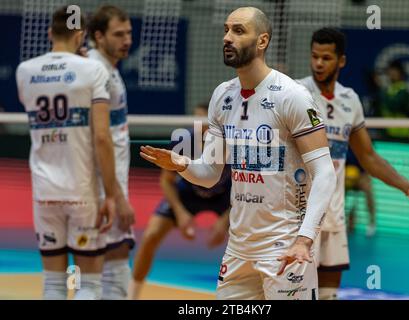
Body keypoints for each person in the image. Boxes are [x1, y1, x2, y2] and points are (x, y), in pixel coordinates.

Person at [140, 7, 338, 300]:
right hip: (239, 247)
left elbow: (324, 173)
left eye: (238, 31)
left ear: (262, 41)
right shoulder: (223, 96)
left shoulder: (291, 96)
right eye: (226, 29)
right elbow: (209, 174)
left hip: (284, 245)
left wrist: (304, 240)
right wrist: (181, 164)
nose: (227, 38)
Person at [296, 27, 409, 300]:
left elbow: (368, 156)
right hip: (299, 216)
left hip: (334, 215)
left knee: (328, 295)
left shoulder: (349, 100)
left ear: (341, 61)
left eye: (326, 58)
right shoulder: (296, 93)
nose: (318, 63)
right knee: (294, 294)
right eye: (314, 56)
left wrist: (407, 186)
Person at [15, 6, 119, 299]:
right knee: (88, 284)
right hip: (82, 190)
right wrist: (110, 194)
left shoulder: (25, 71)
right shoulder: (93, 70)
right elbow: (102, 137)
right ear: (82, 35)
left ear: (50, 33)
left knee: (54, 284)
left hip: (44, 190)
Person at [128, 103, 232, 300]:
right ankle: (132, 295)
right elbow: (166, 181)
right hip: (187, 193)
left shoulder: (231, 144)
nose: (201, 128)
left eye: (206, 123)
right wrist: (181, 213)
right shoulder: (182, 141)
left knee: (249, 234)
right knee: (151, 234)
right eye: (196, 122)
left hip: (225, 196)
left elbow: (243, 188)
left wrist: (226, 220)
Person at [87, 5, 135, 300]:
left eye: (128, 32)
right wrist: (117, 197)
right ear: (99, 36)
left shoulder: (106, 68)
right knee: (111, 265)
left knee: (105, 268)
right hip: (104, 187)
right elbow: (99, 139)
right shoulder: (97, 71)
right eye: (118, 34)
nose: (127, 40)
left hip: (107, 184)